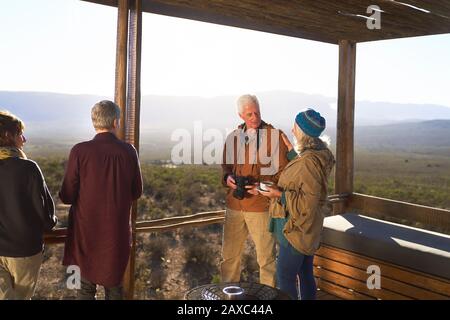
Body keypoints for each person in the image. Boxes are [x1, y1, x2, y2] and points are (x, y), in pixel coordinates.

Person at [59, 100, 143, 300]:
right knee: (114, 289)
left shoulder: (79, 151)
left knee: (84, 291)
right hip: (116, 234)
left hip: (85, 235)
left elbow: (67, 195)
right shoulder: (128, 151)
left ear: (94, 122)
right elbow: (136, 191)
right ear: (116, 122)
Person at [260, 108, 335, 300]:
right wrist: (293, 153)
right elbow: (308, 177)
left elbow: (307, 203)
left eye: (295, 127)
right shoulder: (318, 155)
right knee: (305, 274)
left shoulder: (309, 162)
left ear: (302, 131)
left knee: (285, 278)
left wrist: (278, 194)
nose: (292, 131)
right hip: (309, 230)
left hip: (296, 230)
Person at [220, 94, 289, 287]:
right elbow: (225, 167)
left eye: (257, 112)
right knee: (229, 259)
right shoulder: (233, 137)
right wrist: (228, 178)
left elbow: (285, 172)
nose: (254, 117)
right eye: (249, 114)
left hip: (261, 207)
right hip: (235, 205)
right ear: (240, 115)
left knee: (266, 261)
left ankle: (268, 299)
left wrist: (262, 187)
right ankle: (228, 298)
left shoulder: (274, 136)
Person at [0, 111, 57, 300]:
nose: (24, 139)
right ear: (8, 136)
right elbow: (46, 216)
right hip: (23, 252)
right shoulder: (28, 168)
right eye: (19, 134)